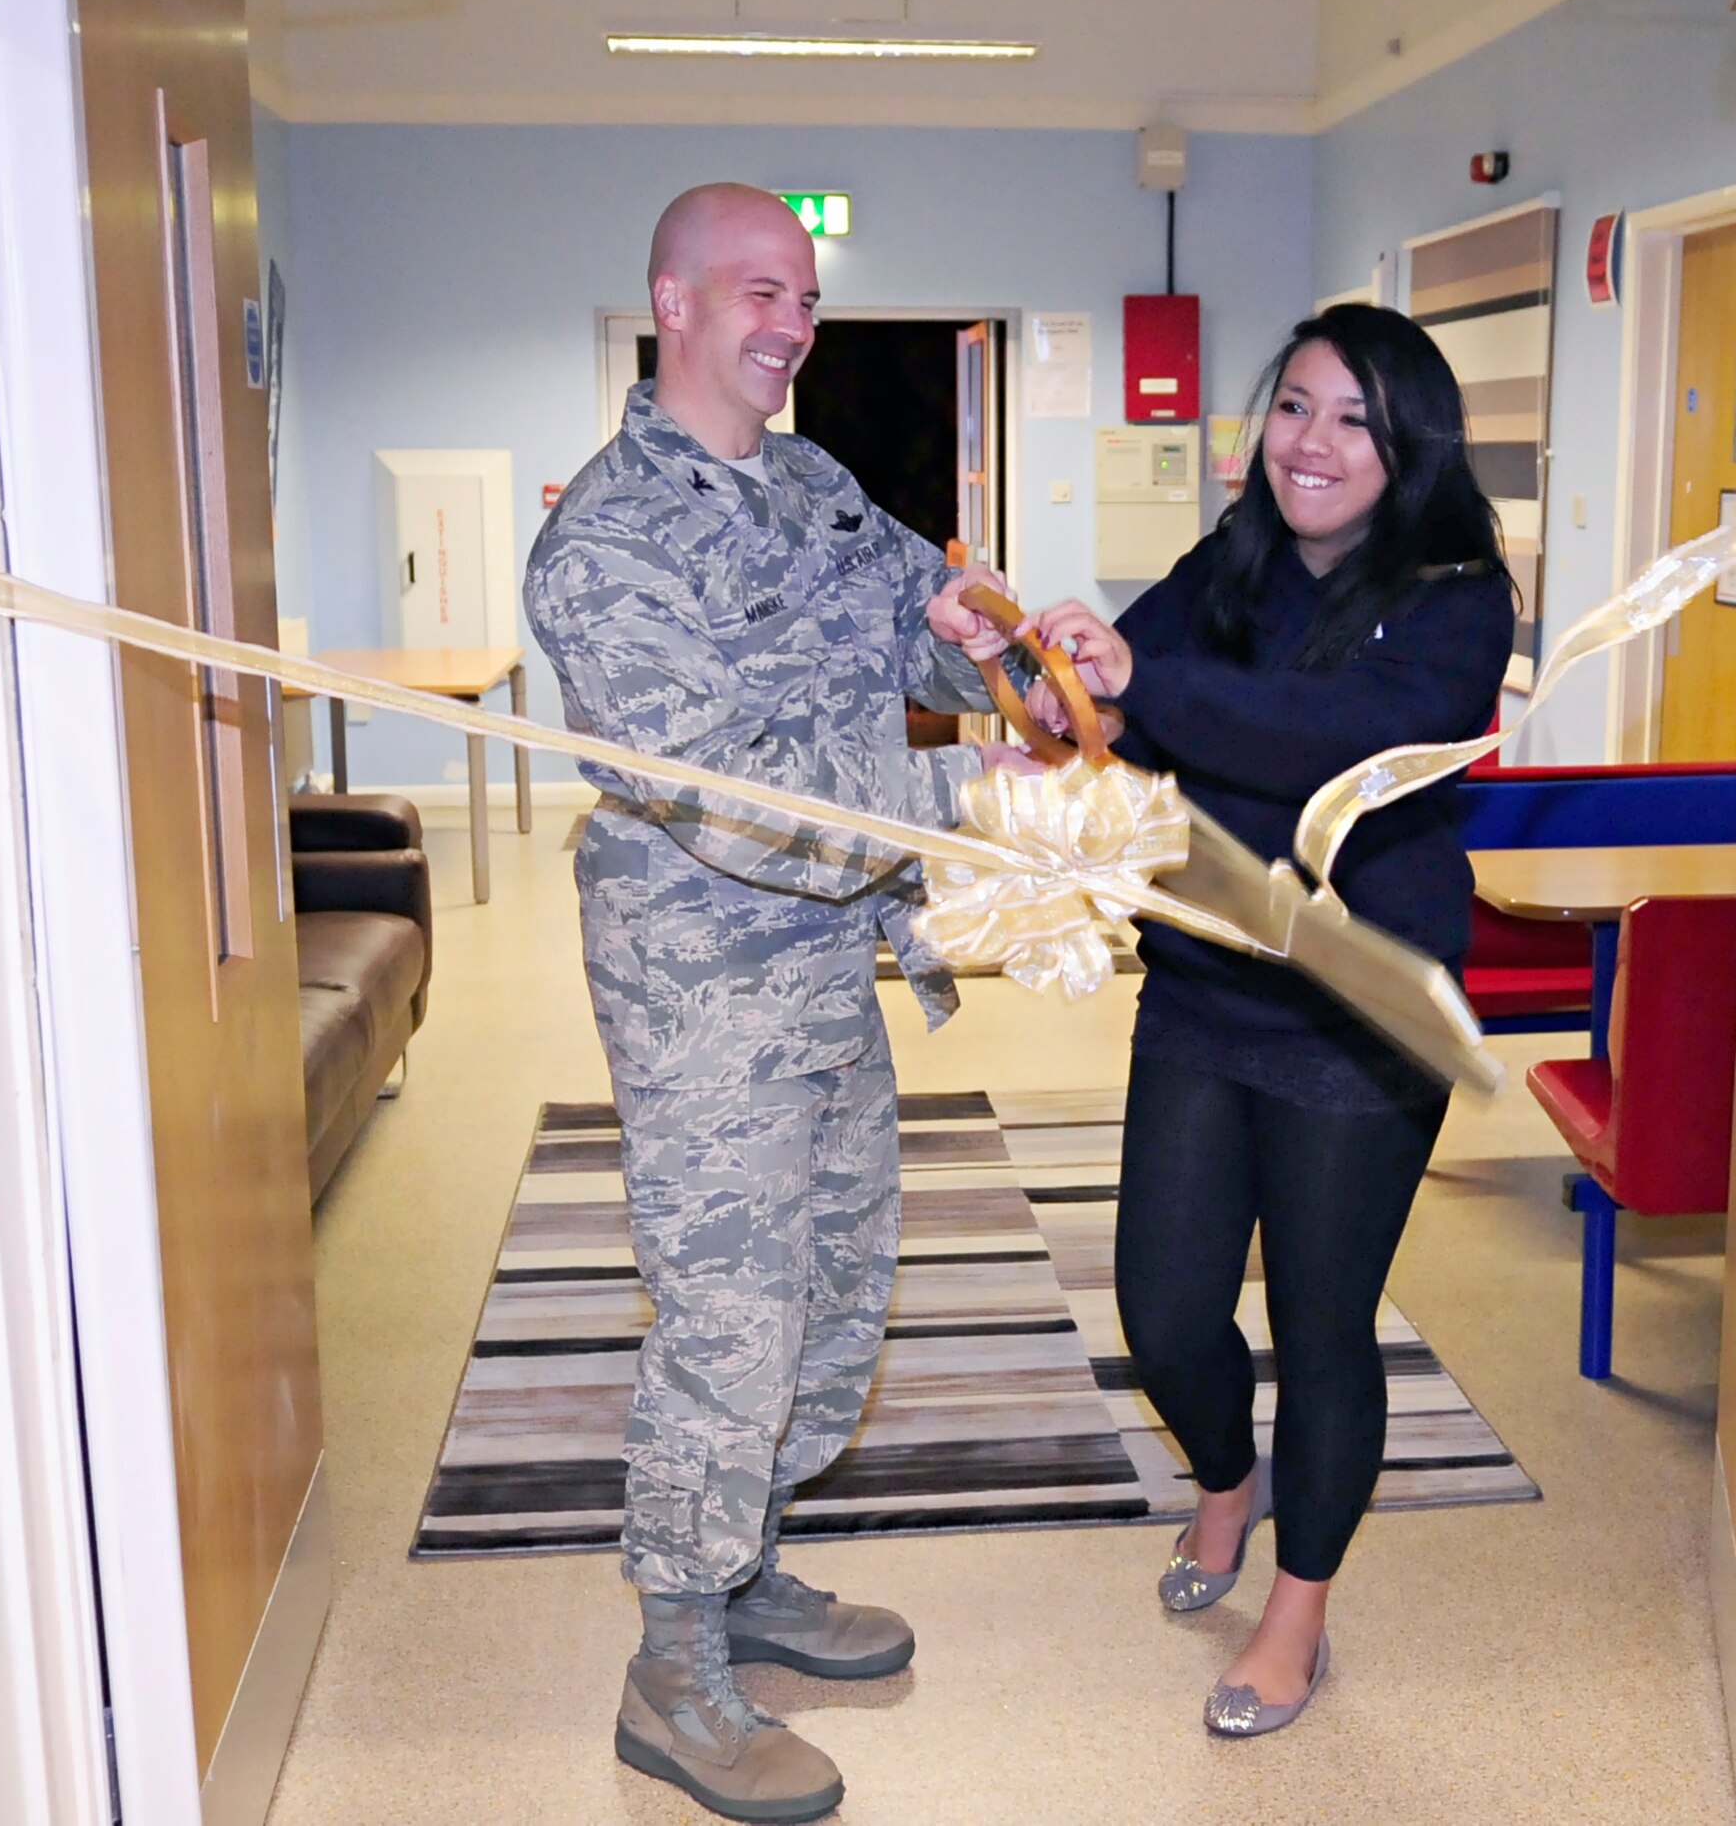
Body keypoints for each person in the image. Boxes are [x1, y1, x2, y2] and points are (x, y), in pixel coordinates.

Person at [524, 183, 1028, 1822]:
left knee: (834, 1303)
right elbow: (731, 798)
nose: (789, 323)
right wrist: (964, 803)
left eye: (803, 296)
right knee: (731, 1328)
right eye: (757, 290)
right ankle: (673, 1669)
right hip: (703, 990)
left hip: (831, 970)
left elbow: (916, 623)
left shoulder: (809, 481)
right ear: (670, 298)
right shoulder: (603, 544)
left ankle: (742, 1571)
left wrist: (996, 639)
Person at [1021, 303, 1515, 1737]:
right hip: (1209, 983)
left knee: (1322, 1323)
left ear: (1408, 442)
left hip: (1359, 1011)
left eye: (1355, 419)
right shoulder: (1228, 560)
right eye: (1295, 406)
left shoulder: (1456, 596)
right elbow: (1126, 695)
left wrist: (1143, 685)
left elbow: (1318, 740)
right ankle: (1223, 1475)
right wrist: (1054, 706)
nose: (1313, 443)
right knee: (1165, 1308)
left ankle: (1297, 1610)